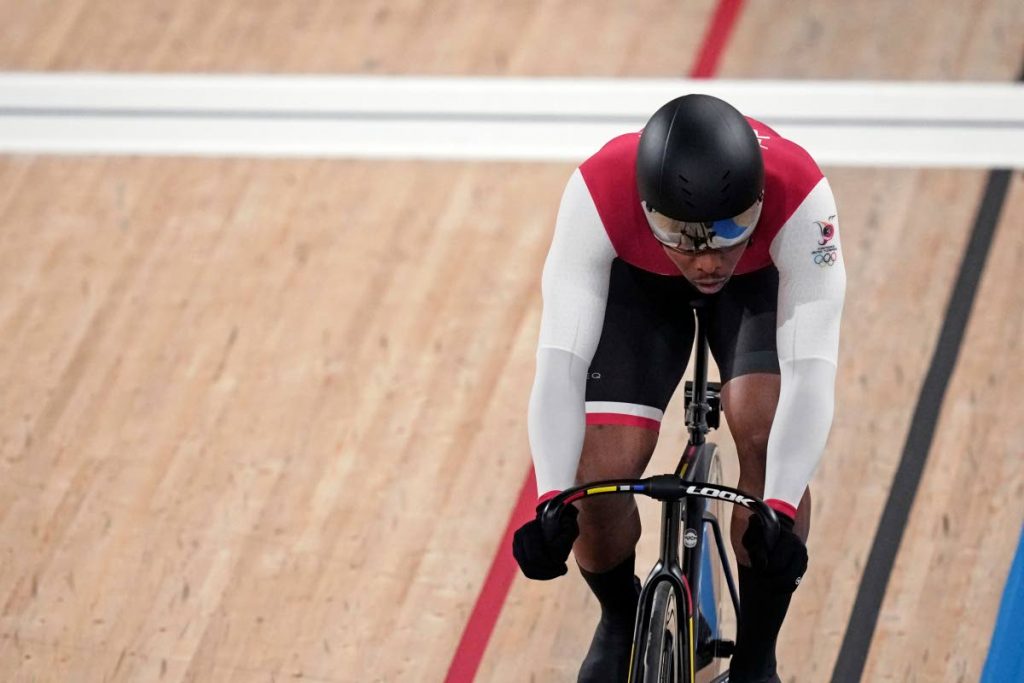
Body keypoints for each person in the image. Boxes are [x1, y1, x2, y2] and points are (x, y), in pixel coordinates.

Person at [511, 93, 846, 682]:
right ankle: (620, 617)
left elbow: (812, 373)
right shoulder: (597, 193)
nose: (707, 260)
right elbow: (560, 363)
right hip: (639, 282)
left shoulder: (802, 198)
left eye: (728, 230)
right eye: (683, 235)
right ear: (643, 207)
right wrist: (550, 496)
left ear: (759, 202)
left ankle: (757, 655)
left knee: (763, 433)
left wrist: (782, 504)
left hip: (758, 280)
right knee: (597, 469)